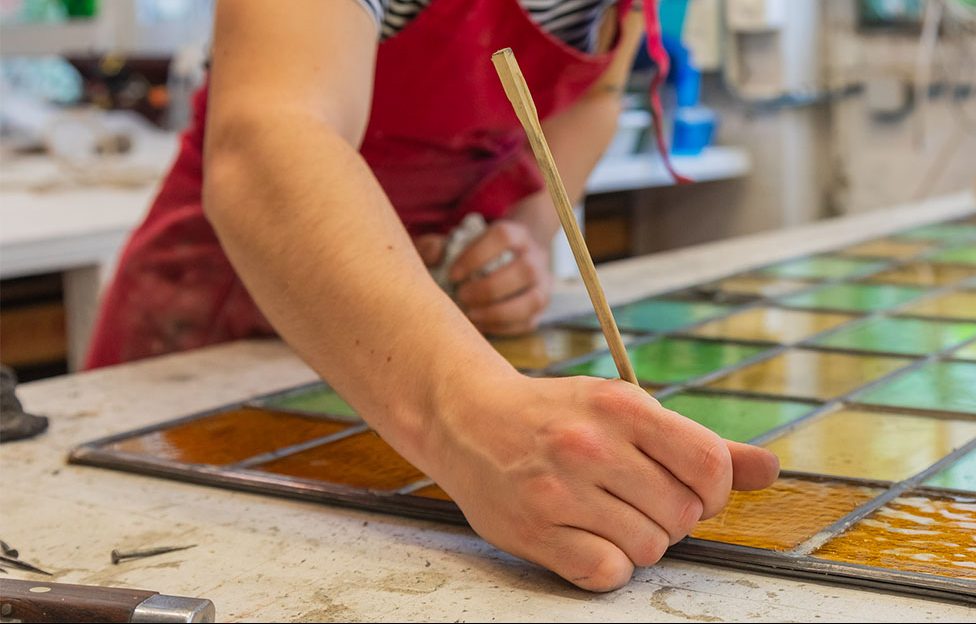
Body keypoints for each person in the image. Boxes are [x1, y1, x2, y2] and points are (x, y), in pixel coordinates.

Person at [86, 0, 779, 591]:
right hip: (227, 315)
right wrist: (473, 412)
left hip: (442, 341)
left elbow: (598, 94)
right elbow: (272, 133)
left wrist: (528, 234)